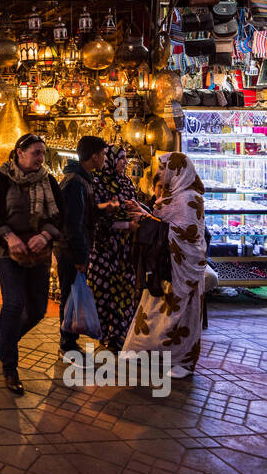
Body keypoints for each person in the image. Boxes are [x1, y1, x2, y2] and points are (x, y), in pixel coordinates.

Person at [0, 133, 62, 394]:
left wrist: (46, 234)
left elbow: (61, 215)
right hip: (8, 252)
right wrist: (9, 235)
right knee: (14, 303)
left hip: (39, 253)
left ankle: (7, 343)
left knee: (37, 309)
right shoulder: (2, 179)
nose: (41, 158)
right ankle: (9, 366)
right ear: (19, 152)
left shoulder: (49, 181)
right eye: (36, 152)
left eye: (43, 153)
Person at [121, 152, 207, 378]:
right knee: (155, 308)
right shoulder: (173, 196)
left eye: (164, 167)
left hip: (182, 267)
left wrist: (144, 219)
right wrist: (143, 213)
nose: (160, 173)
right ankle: (144, 351)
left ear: (177, 171)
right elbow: (163, 225)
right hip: (166, 264)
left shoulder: (189, 198)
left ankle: (182, 360)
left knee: (180, 314)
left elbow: (183, 234)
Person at [57, 135, 108, 357]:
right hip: (70, 248)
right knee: (70, 293)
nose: (105, 158)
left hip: (74, 246)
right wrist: (80, 255)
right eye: (103, 154)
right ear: (94, 156)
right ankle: (67, 341)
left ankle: (69, 338)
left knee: (72, 291)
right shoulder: (75, 182)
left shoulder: (82, 179)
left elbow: (83, 214)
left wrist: (104, 208)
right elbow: (73, 223)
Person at [89, 145, 140, 353]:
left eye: (126, 158)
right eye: (121, 159)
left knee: (124, 288)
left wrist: (133, 211)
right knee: (102, 290)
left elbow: (135, 206)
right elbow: (94, 217)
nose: (125, 162)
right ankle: (103, 333)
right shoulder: (97, 183)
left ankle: (120, 333)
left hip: (125, 249)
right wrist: (124, 223)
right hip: (104, 249)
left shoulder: (126, 182)